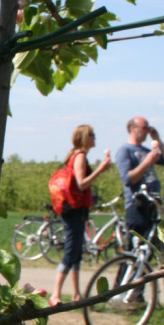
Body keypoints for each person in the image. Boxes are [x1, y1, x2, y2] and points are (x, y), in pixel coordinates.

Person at [50, 126, 112, 306]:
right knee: (71, 251)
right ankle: (55, 294)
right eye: (92, 135)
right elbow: (82, 184)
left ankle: (76, 294)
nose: (95, 137)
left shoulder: (76, 155)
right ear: (85, 138)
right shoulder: (80, 157)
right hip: (74, 211)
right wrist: (100, 169)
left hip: (77, 211)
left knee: (77, 251)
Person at [115, 116, 164, 244]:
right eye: (144, 128)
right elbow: (128, 179)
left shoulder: (145, 150)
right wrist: (147, 161)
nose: (147, 131)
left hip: (152, 204)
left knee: (150, 248)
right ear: (133, 128)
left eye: (149, 128)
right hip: (137, 206)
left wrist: (157, 139)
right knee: (136, 247)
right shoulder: (125, 150)